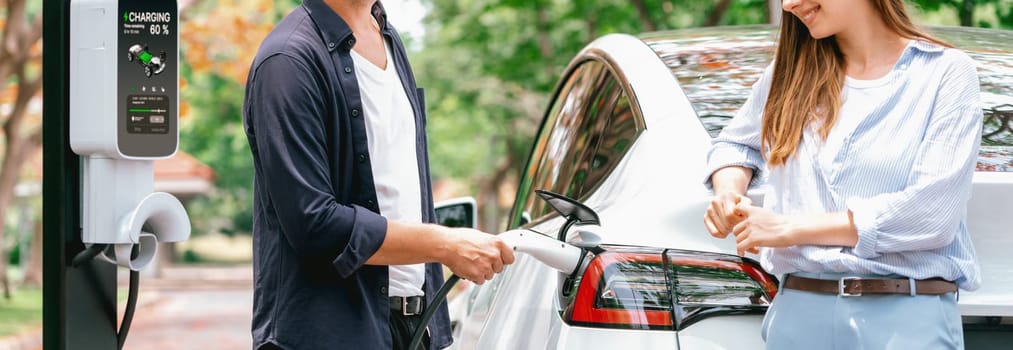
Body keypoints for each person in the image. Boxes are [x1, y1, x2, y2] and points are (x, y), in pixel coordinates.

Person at [703, 0, 981, 348]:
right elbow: (735, 145)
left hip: (906, 323)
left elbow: (930, 215)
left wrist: (788, 228)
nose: (789, 5)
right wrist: (728, 189)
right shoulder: (788, 75)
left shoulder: (944, 74)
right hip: (798, 317)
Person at [242, 1, 515, 349]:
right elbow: (314, 224)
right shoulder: (287, 61)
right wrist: (444, 245)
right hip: (329, 335)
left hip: (413, 327)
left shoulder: (386, 34)